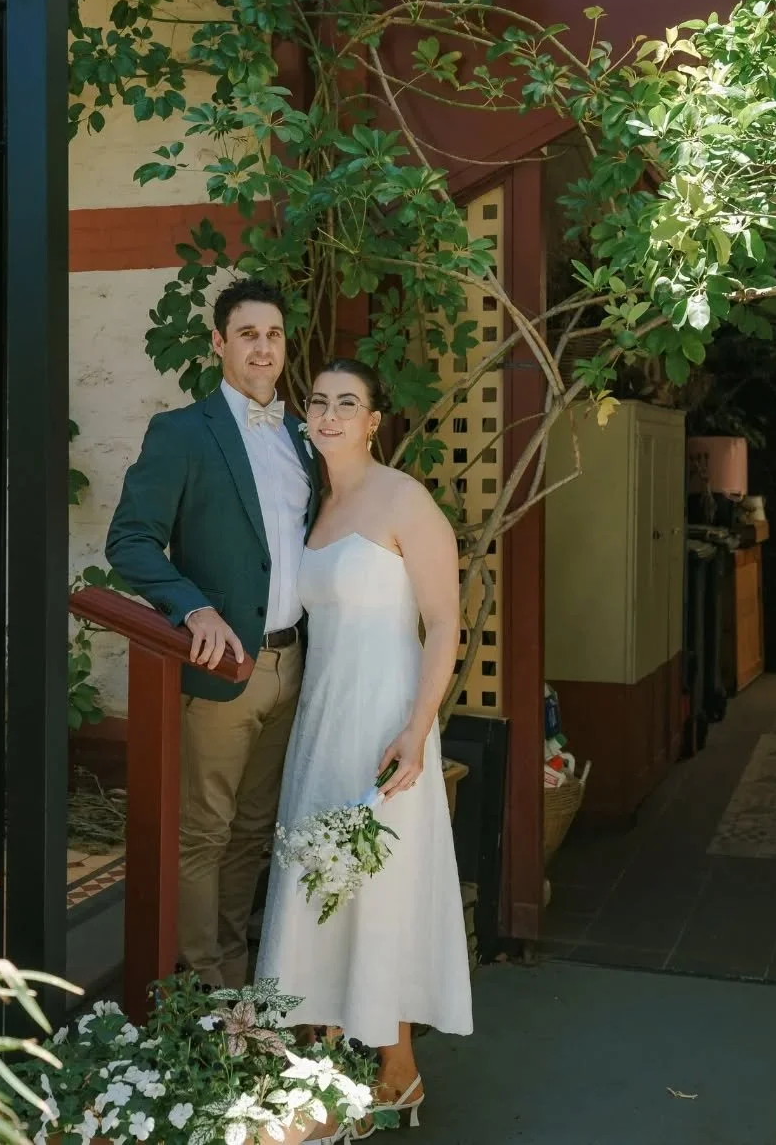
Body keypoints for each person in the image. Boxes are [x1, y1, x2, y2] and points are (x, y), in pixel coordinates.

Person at [256, 356, 473, 1136]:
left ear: (376, 420)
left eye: (348, 402)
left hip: (386, 716)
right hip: (323, 718)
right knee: (324, 880)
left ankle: (399, 1069)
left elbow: (443, 620)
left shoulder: (403, 499)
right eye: (318, 401)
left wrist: (417, 727)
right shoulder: (317, 507)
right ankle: (329, 1064)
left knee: (379, 886)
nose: (329, 414)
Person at [106, 278, 321, 990]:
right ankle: (198, 984)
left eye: (275, 335)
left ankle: (233, 969)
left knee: (255, 831)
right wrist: (191, 607)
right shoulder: (182, 433)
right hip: (226, 667)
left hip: (296, 664)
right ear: (220, 345)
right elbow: (130, 540)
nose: (264, 347)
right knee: (204, 832)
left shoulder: (304, 436)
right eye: (249, 335)